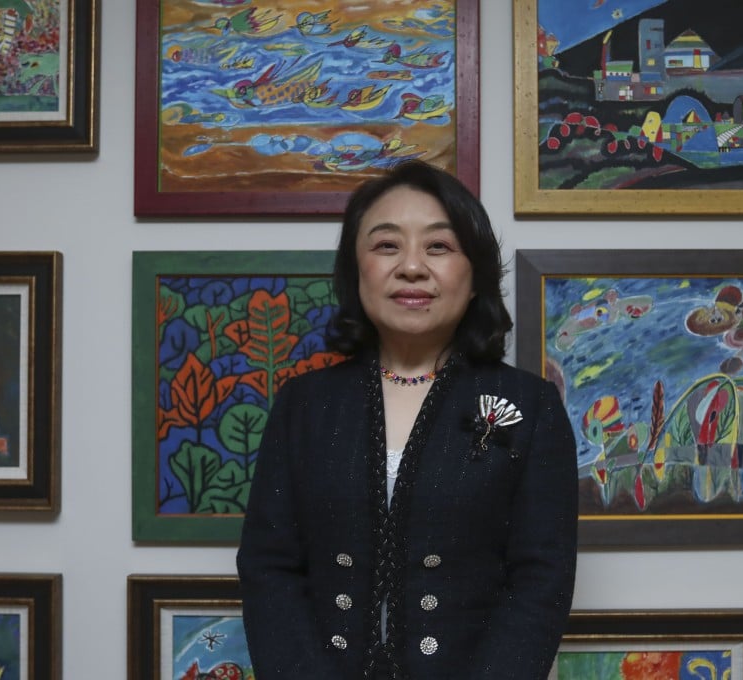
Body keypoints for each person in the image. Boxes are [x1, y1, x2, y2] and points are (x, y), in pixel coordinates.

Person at [237, 160, 578, 679]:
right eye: (386, 245)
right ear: (356, 270)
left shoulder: (530, 407)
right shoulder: (303, 405)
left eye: (438, 246)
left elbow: (541, 579)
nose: (412, 267)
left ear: (475, 274)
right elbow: (269, 567)